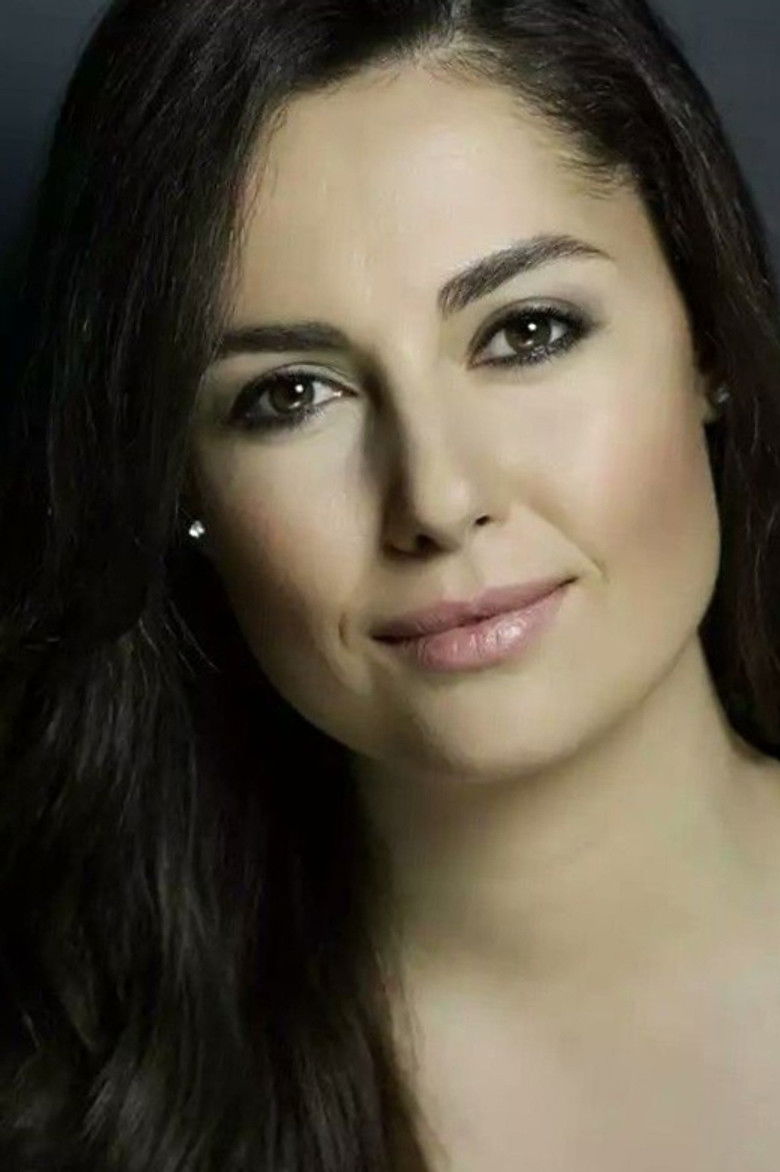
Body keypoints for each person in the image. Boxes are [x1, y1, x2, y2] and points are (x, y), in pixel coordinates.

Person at [2, 0, 780, 1168]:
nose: (438, 498)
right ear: (175, 487)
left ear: (705, 332)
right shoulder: (69, 1105)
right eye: (290, 395)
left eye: (527, 331)